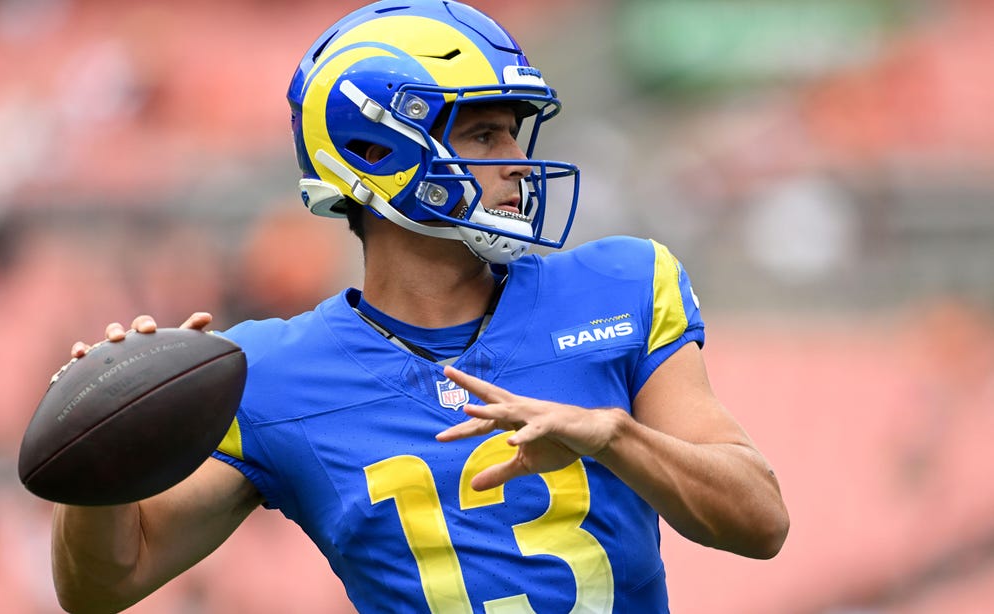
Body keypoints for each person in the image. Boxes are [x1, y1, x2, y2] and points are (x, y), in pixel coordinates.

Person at [50, 1, 790, 612]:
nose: (516, 160)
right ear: (376, 149)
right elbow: (103, 586)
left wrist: (615, 438)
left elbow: (760, 521)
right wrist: (102, 449)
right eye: (483, 133)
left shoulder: (622, 284)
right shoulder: (270, 375)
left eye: (512, 130)